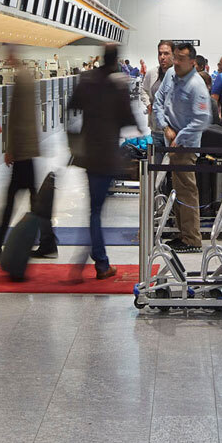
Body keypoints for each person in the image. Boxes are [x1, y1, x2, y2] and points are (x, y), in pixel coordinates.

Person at [0, 51, 54, 260]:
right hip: (26, 149)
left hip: (23, 151)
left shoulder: (22, 80)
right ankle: (47, 242)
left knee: (13, 201)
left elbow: (19, 119)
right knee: (28, 199)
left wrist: (11, 149)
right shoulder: (25, 77)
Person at [67, 45, 134, 280]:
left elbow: (72, 107)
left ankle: (95, 261)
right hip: (107, 155)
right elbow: (128, 118)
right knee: (95, 210)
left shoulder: (87, 80)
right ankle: (98, 263)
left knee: (93, 209)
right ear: (116, 62)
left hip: (89, 153)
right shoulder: (118, 85)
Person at [153, 41, 211, 251]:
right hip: (170, 142)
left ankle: (192, 239)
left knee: (186, 190)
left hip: (185, 146)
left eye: (181, 59)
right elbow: (158, 101)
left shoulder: (197, 85)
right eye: (175, 57)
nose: (176, 62)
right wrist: (165, 127)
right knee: (177, 189)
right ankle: (183, 234)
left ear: (192, 62)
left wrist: (180, 136)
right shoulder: (170, 75)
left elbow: (201, 119)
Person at [140, 39, 172, 111]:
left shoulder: (180, 74)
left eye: (166, 53)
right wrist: (148, 104)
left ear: (173, 55)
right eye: (160, 54)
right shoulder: (151, 73)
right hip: (155, 115)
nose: (162, 57)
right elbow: (144, 89)